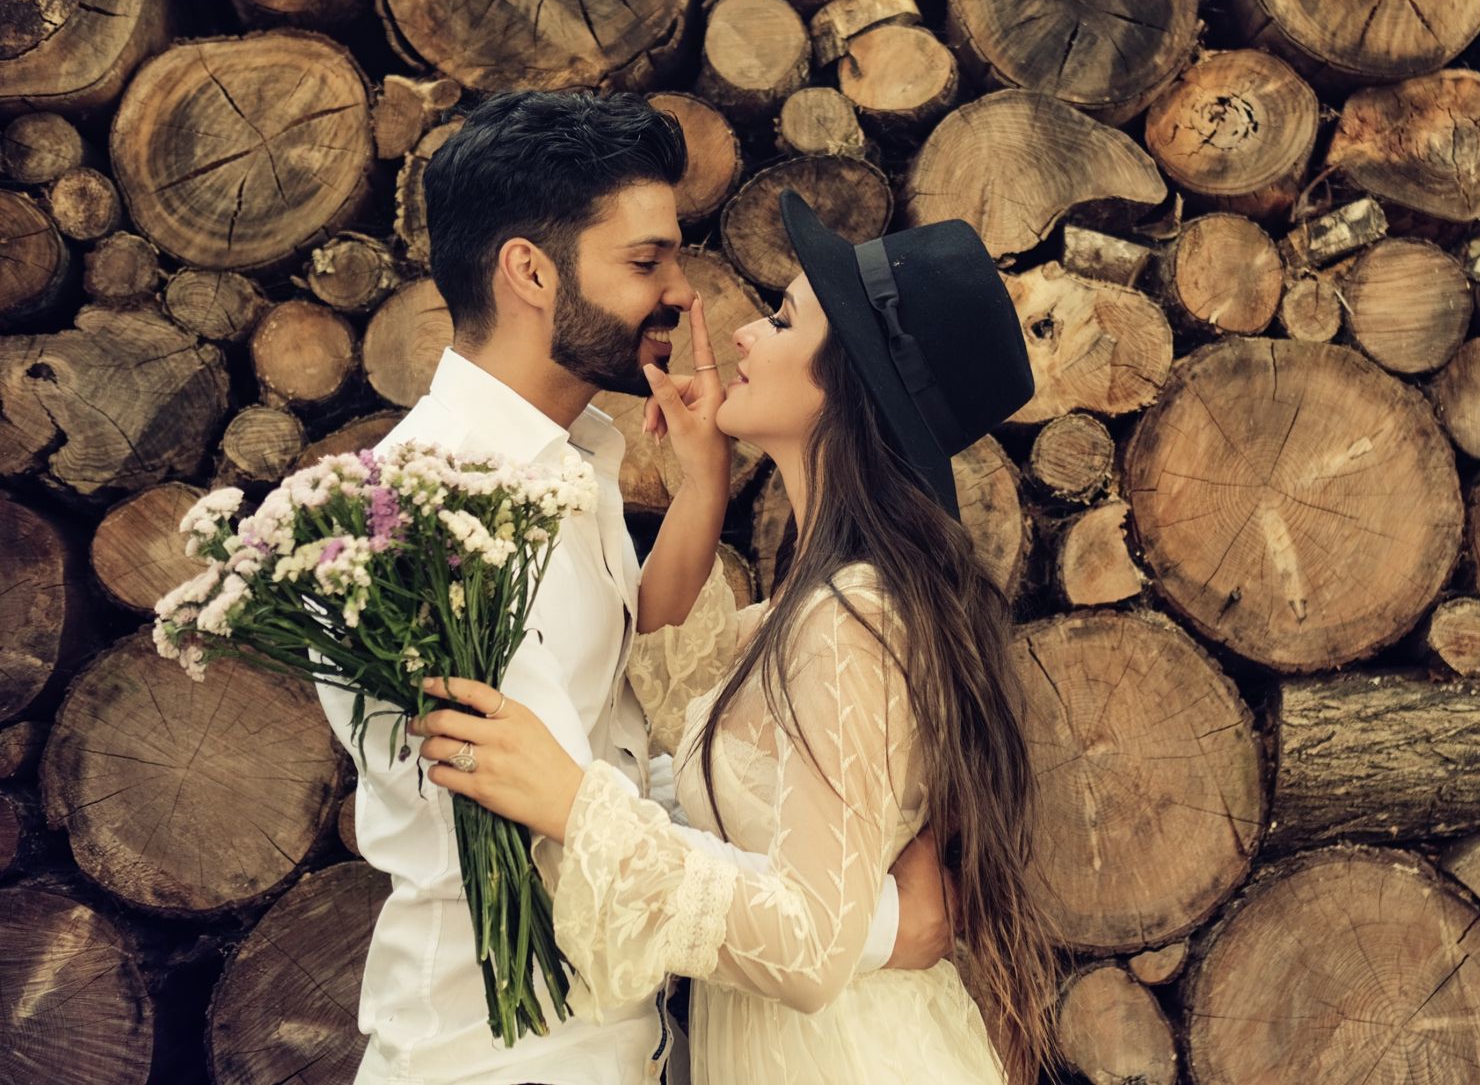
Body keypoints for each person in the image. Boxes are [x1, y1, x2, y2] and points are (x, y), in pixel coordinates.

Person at [318, 92, 952, 1085]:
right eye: (644, 260)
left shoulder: (565, 469)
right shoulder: (427, 515)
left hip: (626, 1047)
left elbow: (611, 725)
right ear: (530, 271)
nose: (682, 296)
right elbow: (550, 811)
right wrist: (881, 924)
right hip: (503, 1060)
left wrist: (701, 493)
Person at [409, 191, 1060, 1083]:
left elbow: (809, 939)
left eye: (784, 320)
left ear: (849, 381)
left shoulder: (855, 619)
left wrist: (572, 806)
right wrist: (703, 479)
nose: (744, 332)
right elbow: (662, 665)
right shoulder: (805, 605)